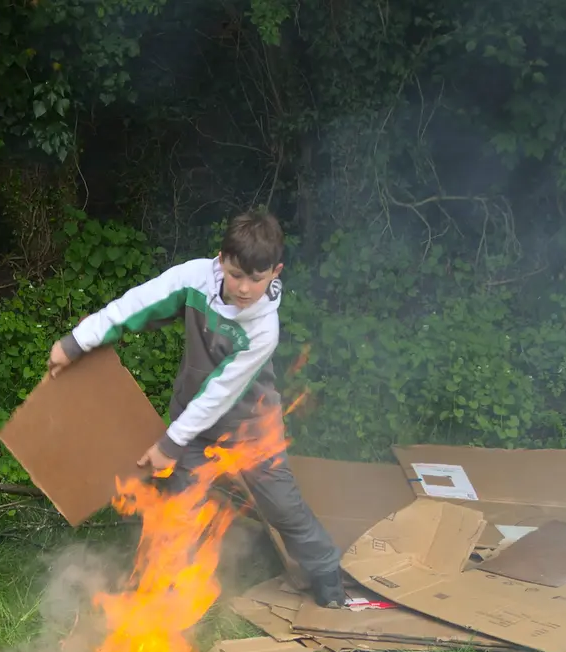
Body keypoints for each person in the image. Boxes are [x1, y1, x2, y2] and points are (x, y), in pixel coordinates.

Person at [45, 211, 347, 608]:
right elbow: (137, 304)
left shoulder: (262, 329)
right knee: (177, 512)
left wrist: (170, 442)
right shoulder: (193, 279)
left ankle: (327, 574)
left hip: (252, 430)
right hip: (195, 431)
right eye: (236, 274)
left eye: (256, 280)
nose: (243, 288)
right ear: (221, 259)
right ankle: (161, 599)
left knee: (283, 509)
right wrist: (76, 342)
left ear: (275, 272)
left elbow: (219, 393)